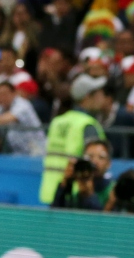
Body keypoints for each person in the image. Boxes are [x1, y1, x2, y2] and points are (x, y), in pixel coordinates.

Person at [38, 73, 108, 204]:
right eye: (99, 93)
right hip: (76, 193)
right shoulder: (88, 125)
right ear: (88, 97)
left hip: (51, 192)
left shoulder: (57, 121)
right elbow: (96, 162)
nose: (102, 97)